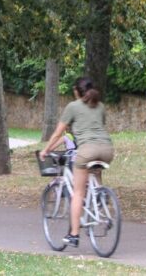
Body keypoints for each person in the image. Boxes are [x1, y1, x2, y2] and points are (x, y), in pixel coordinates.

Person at [39, 77, 114, 248]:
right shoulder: (100, 105)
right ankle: (100, 197)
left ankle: (73, 234)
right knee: (94, 172)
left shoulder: (73, 106)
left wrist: (46, 150)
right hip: (108, 149)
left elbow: (59, 133)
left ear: (76, 91)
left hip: (87, 150)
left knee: (78, 193)